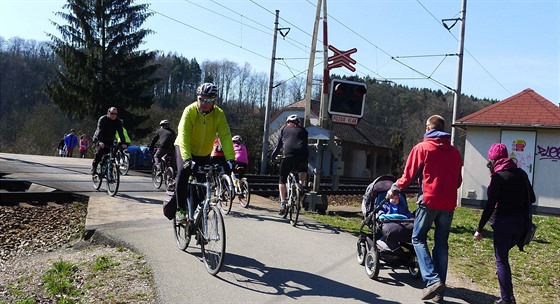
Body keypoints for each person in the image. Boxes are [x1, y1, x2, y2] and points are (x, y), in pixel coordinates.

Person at [386, 114, 462, 303]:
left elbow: (408, 175)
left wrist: (394, 189)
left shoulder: (422, 148)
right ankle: (439, 293)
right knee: (441, 244)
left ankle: (432, 280)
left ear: (429, 128)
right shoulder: (454, 152)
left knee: (418, 238)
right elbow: (458, 182)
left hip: (429, 201)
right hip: (448, 203)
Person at [473, 143, 536, 304]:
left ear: (493, 160)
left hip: (504, 223)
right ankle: (507, 289)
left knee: (501, 260)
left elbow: (489, 206)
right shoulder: (521, 173)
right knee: (503, 259)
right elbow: (533, 198)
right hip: (521, 224)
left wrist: (479, 228)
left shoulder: (498, 177)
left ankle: (507, 298)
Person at [174, 82, 235, 223]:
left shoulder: (219, 114)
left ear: (214, 100)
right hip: (185, 149)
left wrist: (231, 159)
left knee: (203, 184)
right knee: (183, 172)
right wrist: (188, 159)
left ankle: (198, 216)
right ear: (197, 98)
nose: (204, 103)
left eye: (208, 100)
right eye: (201, 99)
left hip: (204, 153)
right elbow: (183, 135)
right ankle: (180, 209)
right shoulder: (189, 111)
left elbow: (225, 135)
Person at [270, 114, 309, 216]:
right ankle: (300, 184)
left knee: (282, 179)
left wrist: (273, 157)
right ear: (298, 123)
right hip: (303, 156)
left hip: (288, 155)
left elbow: (278, 146)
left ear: (287, 122)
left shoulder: (284, 129)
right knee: (303, 171)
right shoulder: (304, 130)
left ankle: (283, 202)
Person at [91, 107, 127, 174]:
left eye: (115, 114)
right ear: (108, 113)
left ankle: (109, 172)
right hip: (99, 138)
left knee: (111, 155)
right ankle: (94, 166)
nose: (114, 115)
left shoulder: (118, 121)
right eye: (112, 113)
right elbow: (100, 131)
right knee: (100, 152)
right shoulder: (103, 119)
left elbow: (121, 133)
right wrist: (99, 142)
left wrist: (123, 143)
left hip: (109, 139)